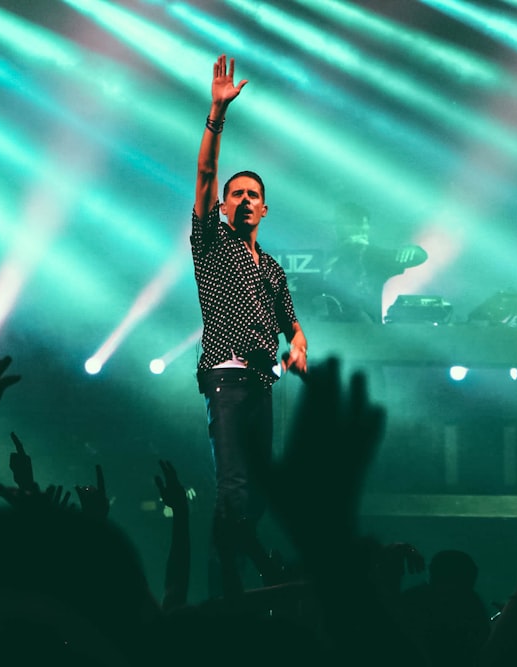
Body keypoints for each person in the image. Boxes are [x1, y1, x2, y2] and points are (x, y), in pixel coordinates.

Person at [191, 54, 308, 597]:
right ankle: (228, 588)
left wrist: (299, 349)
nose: (242, 199)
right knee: (235, 486)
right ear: (223, 206)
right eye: (234, 194)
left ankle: (239, 571)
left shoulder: (275, 269)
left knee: (258, 493)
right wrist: (217, 113)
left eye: (251, 195)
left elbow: (294, 327)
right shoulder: (213, 244)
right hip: (227, 375)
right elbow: (206, 173)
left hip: (263, 383)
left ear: (265, 209)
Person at [320, 201, 427, 323]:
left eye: (362, 224)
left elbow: (419, 257)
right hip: (328, 327)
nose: (362, 229)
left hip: (367, 329)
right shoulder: (322, 256)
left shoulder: (375, 256)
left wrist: (413, 250)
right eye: (350, 224)